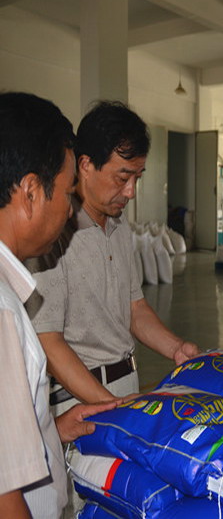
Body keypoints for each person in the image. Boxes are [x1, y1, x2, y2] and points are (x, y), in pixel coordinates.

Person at [27, 101, 199, 415]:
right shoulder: (54, 234)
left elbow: (135, 308)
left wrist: (176, 348)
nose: (131, 192)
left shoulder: (119, 227)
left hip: (124, 385)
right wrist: (109, 405)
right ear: (85, 165)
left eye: (138, 178)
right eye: (122, 178)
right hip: (78, 400)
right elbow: (48, 342)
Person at [0, 92, 116, 519]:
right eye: (68, 194)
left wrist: (48, 429)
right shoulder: (3, 311)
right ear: (31, 191)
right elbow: (5, 496)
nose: (70, 212)